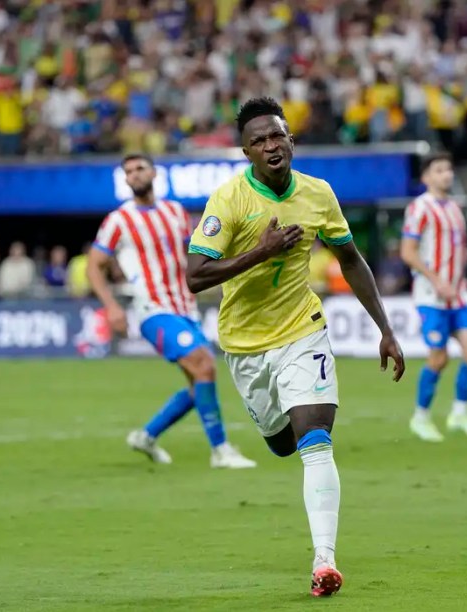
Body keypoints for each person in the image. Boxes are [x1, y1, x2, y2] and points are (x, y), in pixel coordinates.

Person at [186, 97, 405, 597]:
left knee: (314, 439)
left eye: (277, 135)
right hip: (244, 343)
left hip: (303, 330)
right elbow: (195, 276)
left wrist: (385, 329)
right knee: (281, 442)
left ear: (292, 140)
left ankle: (324, 560)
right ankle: (279, 432)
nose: (270, 145)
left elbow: (350, 259)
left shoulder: (318, 194)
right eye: (258, 140)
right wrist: (259, 251)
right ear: (246, 152)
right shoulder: (229, 200)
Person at [87, 154, 256, 470]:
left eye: (140, 169)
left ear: (153, 173)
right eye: (129, 172)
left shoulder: (176, 213)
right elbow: (94, 265)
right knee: (205, 364)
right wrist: (111, 306)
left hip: (185, 308)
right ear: (125, 181)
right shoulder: (118, 221)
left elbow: (192, 256)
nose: (134, 175)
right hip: (153, 310)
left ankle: (147, 436)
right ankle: (220, 450)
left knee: (197, 385)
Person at [400, 153, 467, 442]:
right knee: (438, 359)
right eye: (439, 170)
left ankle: (459, 414)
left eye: (449, 169)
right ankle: (420, 417)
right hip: (431, 297)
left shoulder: (454, 208)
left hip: (457, 295)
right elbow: (408, 252)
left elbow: (454, 249)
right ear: (426, 178)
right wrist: (436, 280)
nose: (447, 175)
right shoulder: (419, 208)